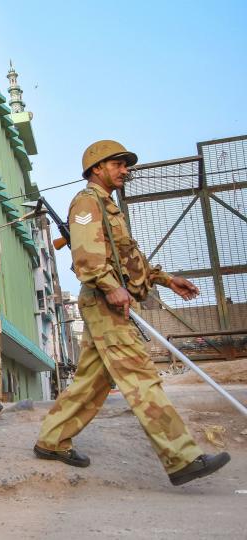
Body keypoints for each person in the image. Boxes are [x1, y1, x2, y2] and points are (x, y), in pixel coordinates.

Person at [34, 140, 230, 486]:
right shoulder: (87, 202)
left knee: (92, 382)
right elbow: (86, 256)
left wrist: (167, 279)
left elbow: (129, 261)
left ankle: (52, 439)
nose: (126, 170)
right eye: (118, 164)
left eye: (126, 165)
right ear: (97, 168)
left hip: (107, 301)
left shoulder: (110, 207)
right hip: (104, 303)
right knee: (141, 377)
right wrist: (110, 287)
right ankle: (182, 457)